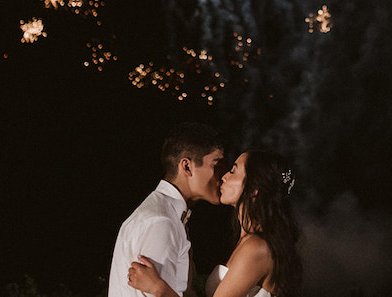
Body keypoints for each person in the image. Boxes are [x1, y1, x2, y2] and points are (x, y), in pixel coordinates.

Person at [129, 149, 301, 297]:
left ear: (254, 189)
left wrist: (158, 288)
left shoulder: (257, 247)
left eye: (233, 171)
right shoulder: (248, 241)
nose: (224, 176)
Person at [109, 122, 226, 297]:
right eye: (216, 166)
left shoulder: (166, 214)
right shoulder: (161, 222)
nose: (223, 175)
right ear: (187, 166)